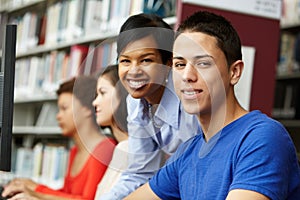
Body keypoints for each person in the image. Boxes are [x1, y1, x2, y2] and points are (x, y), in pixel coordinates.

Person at [124, 11, 300, 200]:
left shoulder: (261, 137)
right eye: (180, 64)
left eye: (203, 63)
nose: (187, 76)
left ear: (234, 72)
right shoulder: (187, 153)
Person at [97, 13, 200, 199]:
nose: (134, 71)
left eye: (146, 60)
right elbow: (140, 172)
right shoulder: (135, 102)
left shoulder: (191, 98)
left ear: (168, 64)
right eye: (125, 61)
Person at [2, 76, 116, 200]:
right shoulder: (75, 151)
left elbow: (88, 199)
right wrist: (31, 189)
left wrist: (36, 189)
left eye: (64, 108)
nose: (58, 116)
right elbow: (67, 195)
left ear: (87, 109)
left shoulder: (104, 149)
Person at [92, 64, 129, 198]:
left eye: (102, 93)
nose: (95, 102)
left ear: (122, 94)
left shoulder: (127, 148)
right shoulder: (121, 147)